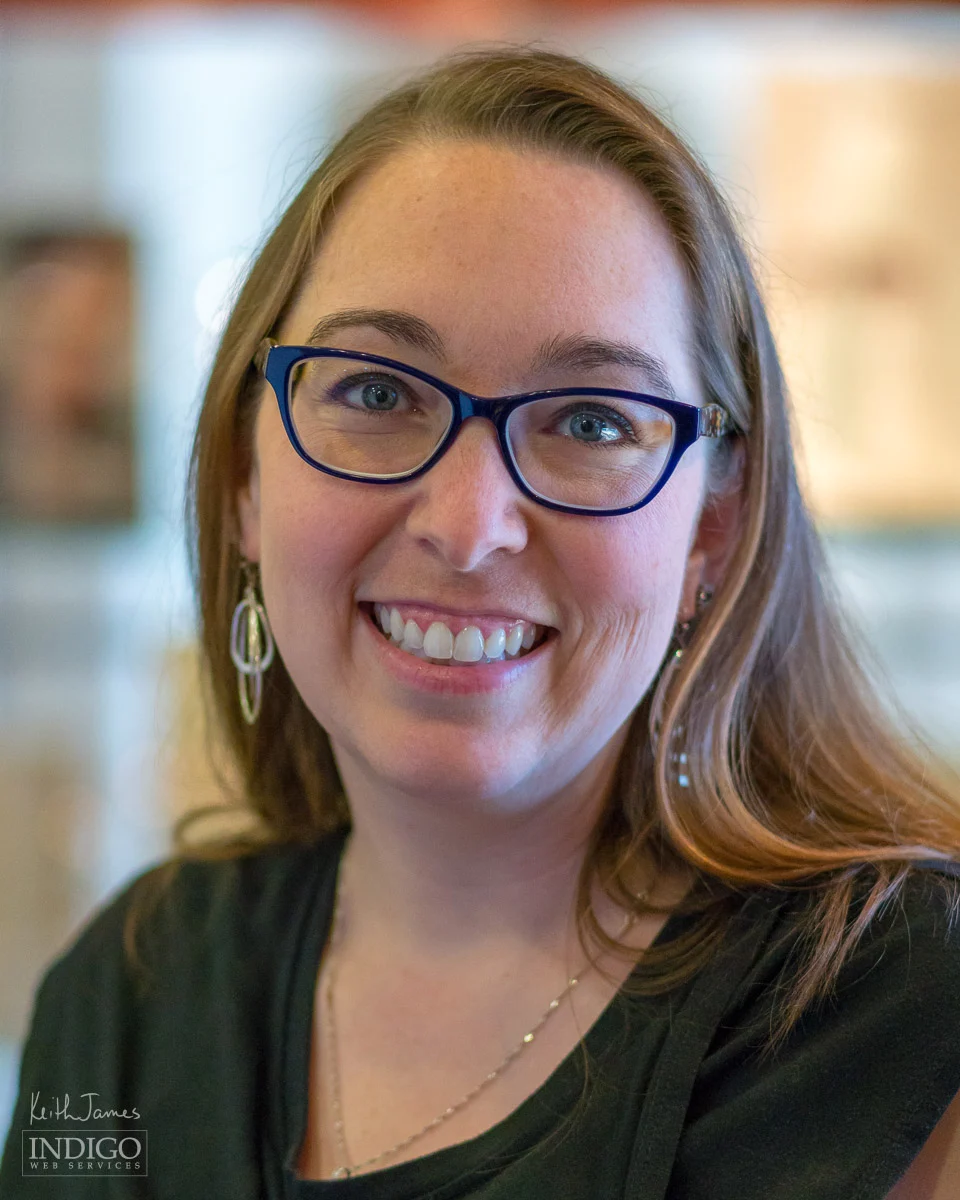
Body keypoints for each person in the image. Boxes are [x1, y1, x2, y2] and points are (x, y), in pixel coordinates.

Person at [2, 47, 960, 1200]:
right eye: (374, 392)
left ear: (715, 524)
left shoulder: (896, 1022)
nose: (468, 527)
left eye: (592, 420)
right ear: (245, 482)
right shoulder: (120, 1001)